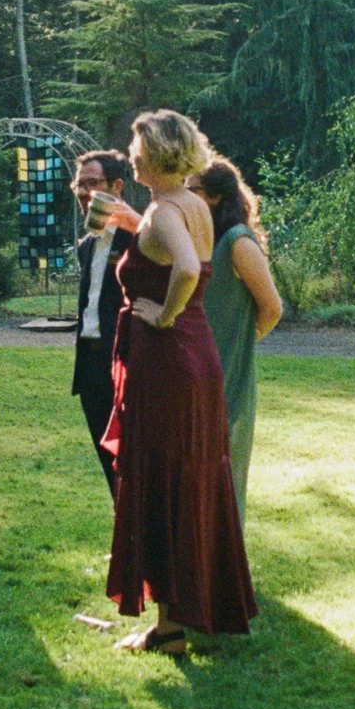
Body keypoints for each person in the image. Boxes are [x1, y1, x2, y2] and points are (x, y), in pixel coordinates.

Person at [102, 109, 256, 652]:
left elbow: (186, 268)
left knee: (164, 483)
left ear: (154, 153)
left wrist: (162, 316)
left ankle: (168, 629)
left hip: (168, 362)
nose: (130, 150)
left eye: (136, 144)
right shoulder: (191, 204)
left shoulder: (168, 209)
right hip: (198, 359)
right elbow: (177, 255)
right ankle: (187, 610)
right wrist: (131, 225)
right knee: (189, 480)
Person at [192, 156, 283, 518]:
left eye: (192, 191)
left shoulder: (237, 242)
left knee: (223, 469)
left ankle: (226, 563)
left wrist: (242, 341)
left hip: (229, 371)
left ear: (214, 197)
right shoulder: (206, 240)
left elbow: (272, 307)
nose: (186, 198)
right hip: (199, 370)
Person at [68, 150, 134, 492]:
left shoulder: (139, 239)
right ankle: (123, 542)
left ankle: (140, 541)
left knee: (133, 459)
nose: (83, 192)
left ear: (117, 186)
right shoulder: (87, 245)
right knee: (107, 460)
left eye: (92, 184)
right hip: (91, 363)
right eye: (80, 184)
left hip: (127, 364)